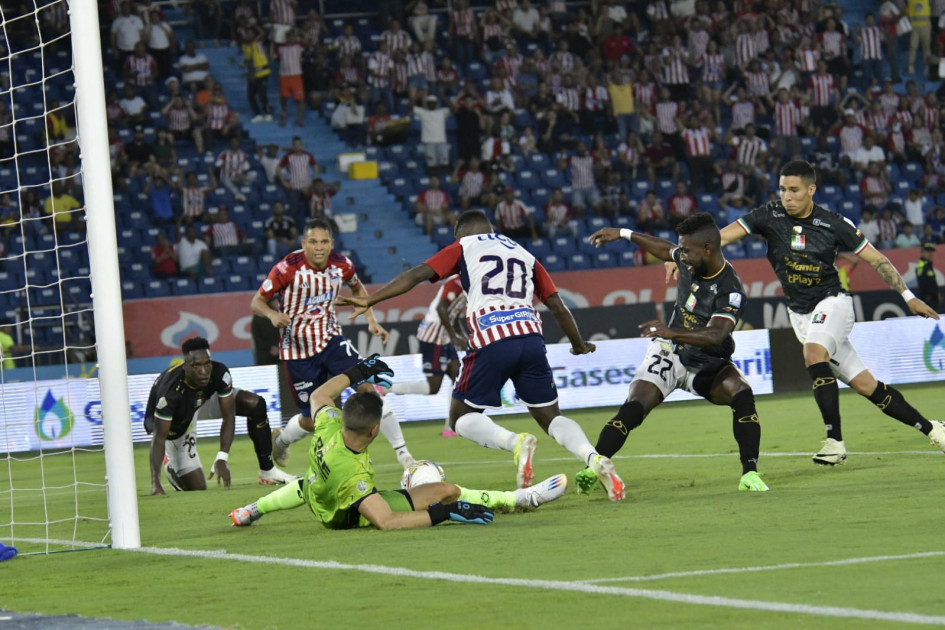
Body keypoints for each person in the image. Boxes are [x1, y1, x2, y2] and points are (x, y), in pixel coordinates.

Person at [338, 210, 626, 500]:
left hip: (492, 338)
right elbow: (558, 306)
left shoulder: (464, 246)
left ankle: (516, 443)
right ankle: (594, 458)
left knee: (460, 418)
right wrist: (578, 344)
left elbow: (417, 274)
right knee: (552, 417)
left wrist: (370, 298)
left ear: (461, 232)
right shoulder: (525, 254)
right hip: (531, 338)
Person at [716, 160, 945, 463]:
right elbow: (718, 238)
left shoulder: (834, 223)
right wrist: (681, 255)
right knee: (867, 386)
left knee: (813, 354)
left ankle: (834, 441)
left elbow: (876, 260)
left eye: (794, 190)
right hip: (800, 315)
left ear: (811, 190)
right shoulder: (768, 215)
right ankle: (933, 429)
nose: (787, 196)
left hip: (833, 303)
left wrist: (907, 295)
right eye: (783, 189)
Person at [229, 354, 569, 529]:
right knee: (446, 492)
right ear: (375, 429)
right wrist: (444, 515)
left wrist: (360, 371)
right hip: (341, 514)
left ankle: (251, 510)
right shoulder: (355, 478)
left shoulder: (329, 424)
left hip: (320, 488)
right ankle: (522, 497)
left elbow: (320, 394)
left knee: (310, 482)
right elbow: (386, 522)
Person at [585, 214, 768, 493]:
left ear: (708, 249)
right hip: (670, 353)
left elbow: (717, 334)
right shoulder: (689, 261)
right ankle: (592, 468)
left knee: (742, 394)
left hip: (708, 362)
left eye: (686, 251)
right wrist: (622, 233)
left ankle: (750, 474)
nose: (680, 256)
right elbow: (662, 248)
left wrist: (671, 331)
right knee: (635, 407)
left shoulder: (730, 290)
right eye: (680, 250)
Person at [250, 218, 418, 472]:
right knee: (312, 420)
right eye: (314, 242)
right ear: (304, 243)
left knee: (369, 391)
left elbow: (358, 287)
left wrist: (371, 319)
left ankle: (405, 457)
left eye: (324, 241)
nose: (319, 247)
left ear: (332, 244)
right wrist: (273, 315)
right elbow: (257, 302)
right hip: (298, 353)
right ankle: (282, 441)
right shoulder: (287, 268)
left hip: (331, 341)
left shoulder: (342, 265)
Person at [144, 337, 298, 495]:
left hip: (201, 400)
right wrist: (156, 483)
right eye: (196, 365)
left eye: (207, 363)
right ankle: (170, 464)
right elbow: (159, 438)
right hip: (177, 418)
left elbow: (229, 416)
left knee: (255, 404)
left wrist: (222, 457)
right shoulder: (170, 393)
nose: (204, 371)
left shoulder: (219, 372)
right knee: (197, 487)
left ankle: (267, 471)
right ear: (186, 366)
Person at [388, 274, 466, 437]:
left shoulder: (468, 284)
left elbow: (453, 314)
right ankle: (386, 387)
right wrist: (453, 335)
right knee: (433, 387)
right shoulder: (457, 282)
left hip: (443, 334)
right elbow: (441, 308)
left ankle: (450, 428)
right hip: (433, 335)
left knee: (459, 377)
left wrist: (461, 335)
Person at [917, 242, 941, 310]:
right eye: (928, 251)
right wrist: (933, 294)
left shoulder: (928, 264)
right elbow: (923, 283)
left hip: (932, 299)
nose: (930, 253)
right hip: (927, 300)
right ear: (922, 252)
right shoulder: (922, 265)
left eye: (932, 251)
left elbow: (932, 281)